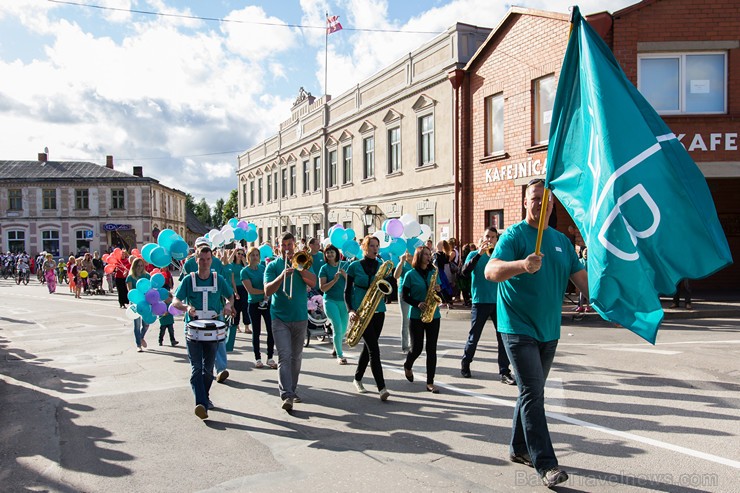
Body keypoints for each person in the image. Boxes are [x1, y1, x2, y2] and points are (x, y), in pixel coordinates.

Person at [485, 179, 588, 488]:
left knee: (531, 392)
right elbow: (491, 271)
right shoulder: (515, 235)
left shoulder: (561, 242)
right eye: (534, 199)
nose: (540, 205)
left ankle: (519, 448)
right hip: (517, 327)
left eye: (546, 201)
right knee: (533, 391)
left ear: (553, 207)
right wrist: (521, 265)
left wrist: (616, 301)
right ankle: (545, 463)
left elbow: (585, 284)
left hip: (549, 329)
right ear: (525, 203)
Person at [172, 245, 235, 420]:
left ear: (212, 260)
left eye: (208, 259)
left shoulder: (218, 279)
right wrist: (186, 307)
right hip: (193, 330)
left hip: (214, 330)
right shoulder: (188, 280)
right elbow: (176, 301)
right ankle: (201, 404)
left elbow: (230, 296)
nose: (205, 263)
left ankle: (204, 398)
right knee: (196, 368)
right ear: (196, 260)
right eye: (202, 259)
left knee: (208, 370)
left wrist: (229, 306)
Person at [264, 232, 317, 411]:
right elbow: (267, 291)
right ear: (278, 247)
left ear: (294, 245)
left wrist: (301, 270)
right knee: (284, 356)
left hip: (300, 317)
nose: (287, 248)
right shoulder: (272, 266)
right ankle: (286, 394)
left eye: (289, 245)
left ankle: (292, 390)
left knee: (296, 358)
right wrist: (281, 277)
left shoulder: (303, 262)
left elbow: (314, 282)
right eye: (283, 245)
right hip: (279, 318)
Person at [460, 227, 516, 385]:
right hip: (480, 301)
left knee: (503, 337)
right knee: (474, 336)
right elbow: (464, 272)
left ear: (497, 240)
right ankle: (466, 362)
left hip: (498, 301)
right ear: (482, 238)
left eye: (493, 237)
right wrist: (478, 254)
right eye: (487, 236)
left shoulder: (500, 256)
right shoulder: (474, 255)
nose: (490, 240)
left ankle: (504, 371)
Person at [345, 235, 391, 401]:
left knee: (369, 347)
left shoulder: (381, 266)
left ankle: (357, 378)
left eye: (377, 246)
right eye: (371, 245)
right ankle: (382, 387)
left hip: (378, 310)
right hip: (361, 311)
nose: (375, 248)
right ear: (365, 247)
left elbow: (390, 284)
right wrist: (350, 310)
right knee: (374, 349)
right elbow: (347, 291)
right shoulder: (354, 266)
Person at [401, 246, 442, 393]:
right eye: (425, 254)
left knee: (432, 349)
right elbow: (405, 296)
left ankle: (430, 382)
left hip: (434, 315)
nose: (428, 256)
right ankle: (408, 365)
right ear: (419, 256)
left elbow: (440, 294)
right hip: (416, 315)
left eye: (429, 254)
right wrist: (417, 303)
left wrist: (438, 290)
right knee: (417, 348)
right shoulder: (410, 274)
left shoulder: (433, 272)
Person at [241, 246, 276, 369]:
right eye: (252, 255)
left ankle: (270, 357)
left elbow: (268, 283)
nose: (255, 257)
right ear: (248, 257)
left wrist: (267, 295)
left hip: (266, 302)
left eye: (257, 255)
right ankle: (258, 358)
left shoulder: (263, 268)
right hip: (254, 304)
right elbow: (250, 290)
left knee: (271, 330)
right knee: (256, 332)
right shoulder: (245, 271)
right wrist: (265, 292)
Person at [318, 244, 349, 364]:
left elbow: (352, 283)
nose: (330, 254)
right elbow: (323, 288)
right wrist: (334, 280)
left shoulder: (345, 265)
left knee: (343, 329)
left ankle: (336, 348)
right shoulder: (324, 268)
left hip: (344, 302)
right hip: (330, 301)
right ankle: (340, 356)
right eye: (327, 252)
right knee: (337, 326)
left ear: (336, 253)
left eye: (332, 252)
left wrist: (345, 276)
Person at [127, 258, 151, 352]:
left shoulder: (147, 276)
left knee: (146, 324)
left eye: (141, 265)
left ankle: (141, 337)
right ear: (134, 266)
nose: (140, 268)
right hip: (135, 303)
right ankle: (138, 344)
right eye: (138, 266)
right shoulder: (130, 277)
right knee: (137, 325)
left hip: (145, 302)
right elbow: (130, 292)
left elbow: (150, 290)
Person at [393, 252, 413, 352]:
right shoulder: (403, 264)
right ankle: (405, 346)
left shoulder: (416, 263)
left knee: (414, 320)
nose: (409, 255)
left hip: (415, 294)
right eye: (408, 252)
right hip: (403, 294)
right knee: (405, 320)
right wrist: (401, 262)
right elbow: (396, 276)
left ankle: (413, 344)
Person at [230, 248, 253, 335]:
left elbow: (250, 271)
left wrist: (244, 262)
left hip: (245, 288)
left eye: (242, 254)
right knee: (236, 307)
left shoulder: (244, 266)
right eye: (238, 253)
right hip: (236, 287)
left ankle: (247, 327)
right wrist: (235, 292)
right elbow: (232, 280)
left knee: (245, 307)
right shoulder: (232, 265)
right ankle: (236, 326)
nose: (240, 255)